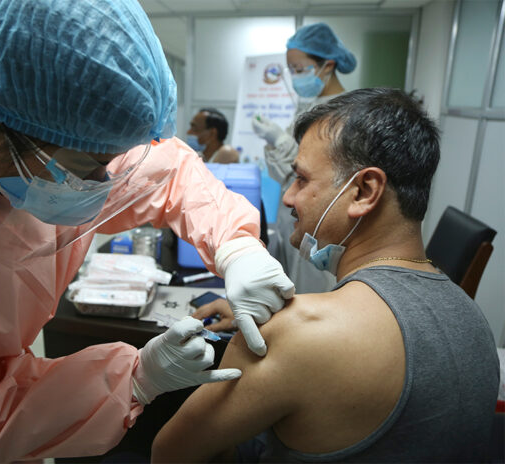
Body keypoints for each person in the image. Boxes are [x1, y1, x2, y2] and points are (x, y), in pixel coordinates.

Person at [0, 0, 295, 461]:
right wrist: (136, 378)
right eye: (92, 164)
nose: (107, 181)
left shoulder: (32, 135)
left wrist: (235, 246)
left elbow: (169, 171)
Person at [153, 88, 500, 463]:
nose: (288, 197)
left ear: (364, 191)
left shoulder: (300, 334)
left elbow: (170, 453)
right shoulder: (475, 321)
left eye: (301, 179)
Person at [253, 22, 357, 295]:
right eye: (292, 70)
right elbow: (288, 173)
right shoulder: (313, 106)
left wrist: (281, 140)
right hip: (296, 218)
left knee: (313, 292)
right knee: (292, 286)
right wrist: (278, 140)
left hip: (319, 219)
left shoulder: (346, 111)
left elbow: (321, 172)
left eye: (300, 69)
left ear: (328, 65)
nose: (295, 76)